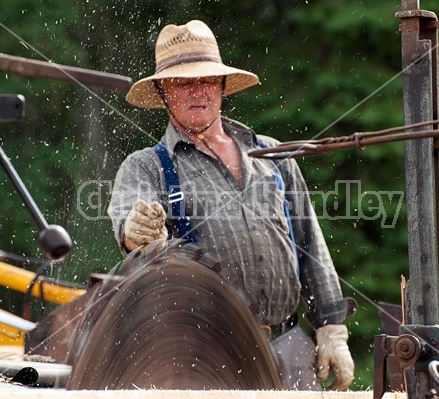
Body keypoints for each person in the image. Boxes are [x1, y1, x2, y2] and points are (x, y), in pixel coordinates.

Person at [108, 20, 354, 391]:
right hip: (205, 356)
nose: (198, 91)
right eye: (183, 82)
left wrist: (332, 327)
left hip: (290, 346)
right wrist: (135, 231)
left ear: (222, 86)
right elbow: (127, 220)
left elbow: (309, 243)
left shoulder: (272, 155)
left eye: (207, 80)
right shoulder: (147, 166)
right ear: (162, 91)